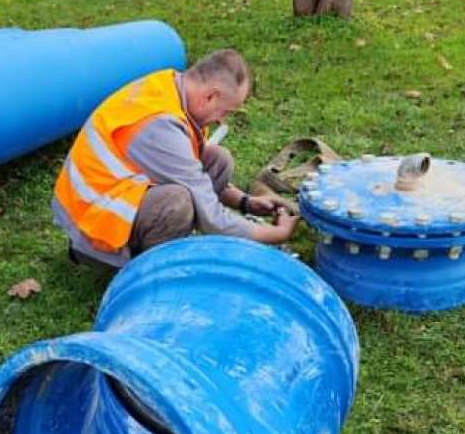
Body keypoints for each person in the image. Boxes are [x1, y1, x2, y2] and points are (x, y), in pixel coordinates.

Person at [51, 49, 299, 269]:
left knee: (217, 159)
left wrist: (246, 203)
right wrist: (274, 235)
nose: (223, 120)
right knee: (176, 204)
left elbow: (194, 173)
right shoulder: (159, 124)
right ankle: (151, 273)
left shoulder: (172, 89)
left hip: (118, 192)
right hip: (93, 226)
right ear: (211, 96)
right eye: (226, 111)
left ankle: (157, 245)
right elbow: (214, 221)